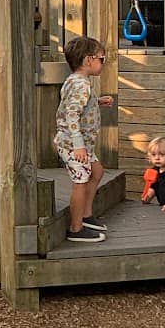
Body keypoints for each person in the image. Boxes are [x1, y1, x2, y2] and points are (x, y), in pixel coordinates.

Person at [54, 35, 114, 242]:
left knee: (96, 171)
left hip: (82, 145)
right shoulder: (82, 85)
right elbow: (71, 115)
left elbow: (73, 105)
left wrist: (96, 102)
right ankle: (76, 228)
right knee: (80, 181)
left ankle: (86, 215)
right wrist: (78, 147)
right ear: (88, 60)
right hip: (74, 145)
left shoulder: (76, 81)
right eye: (101, 59)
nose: (103, 63)